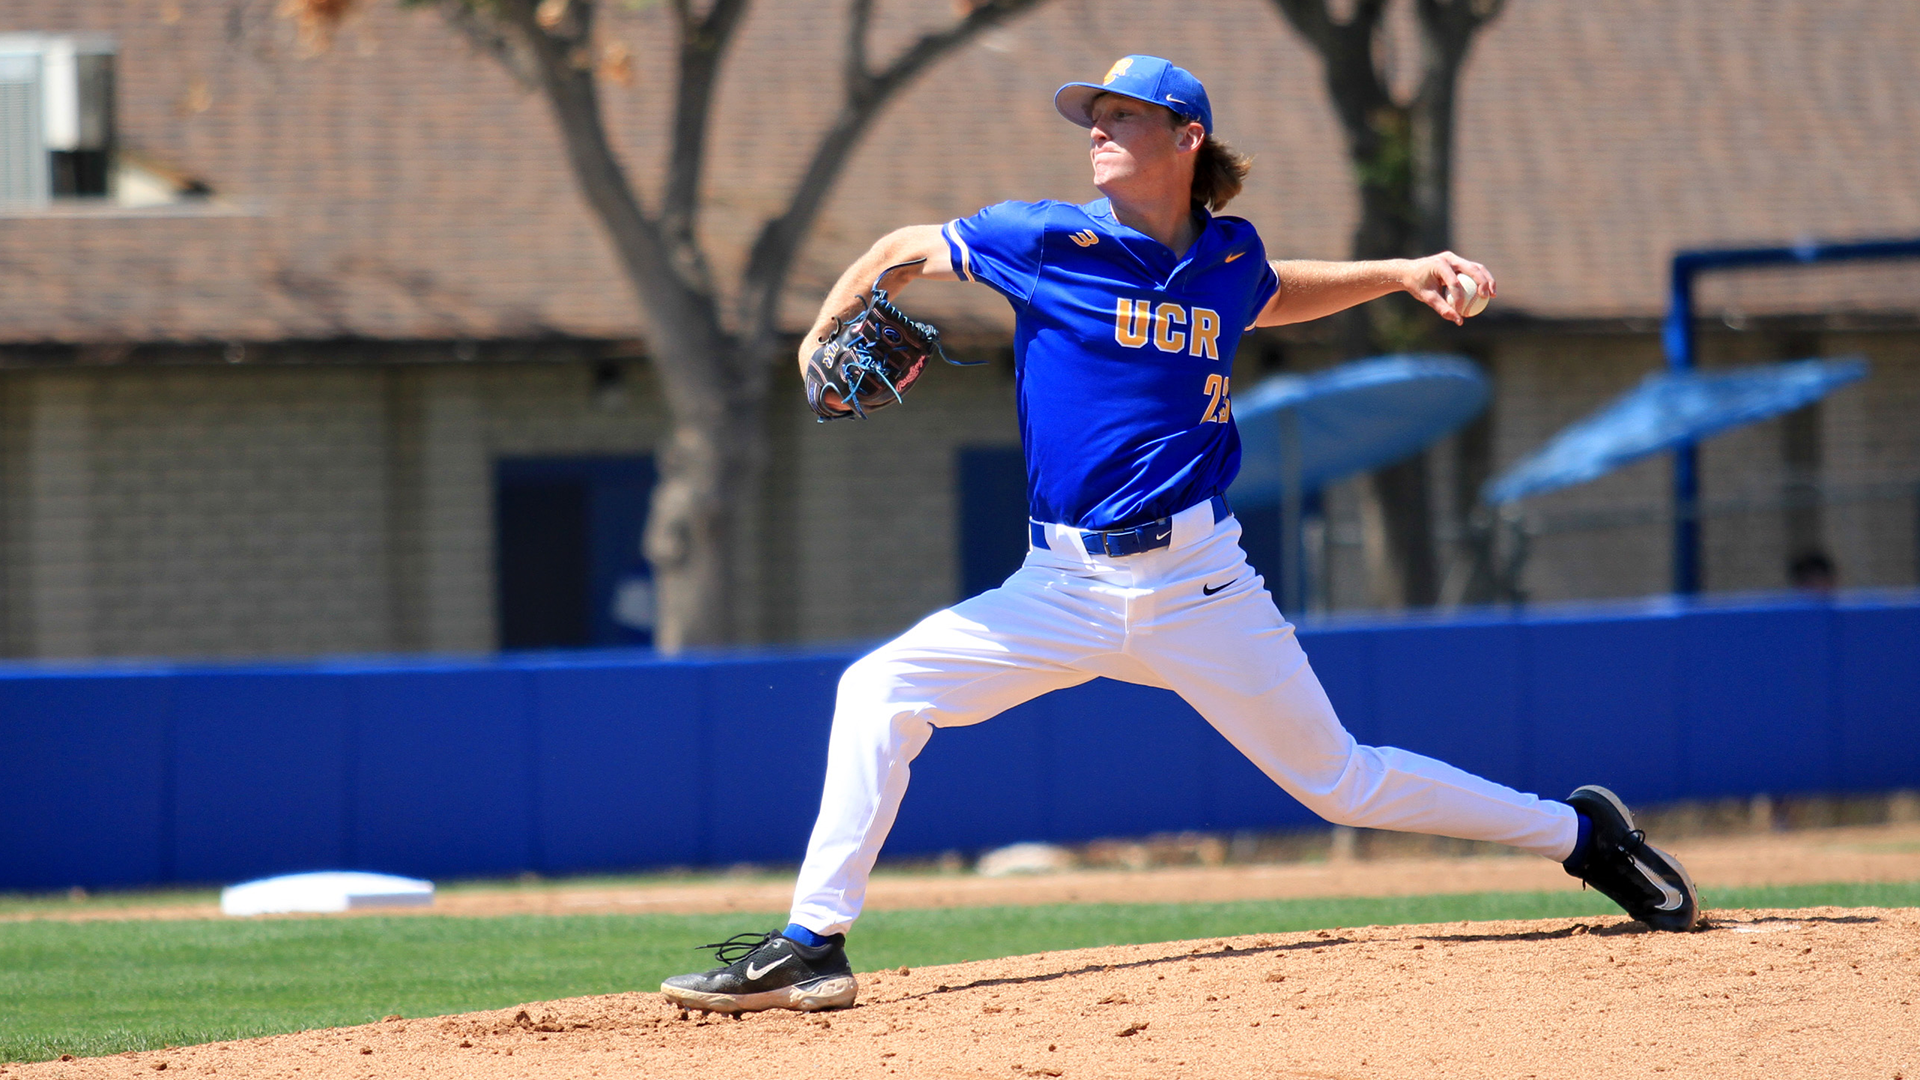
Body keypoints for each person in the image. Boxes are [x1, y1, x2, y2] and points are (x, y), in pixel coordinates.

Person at [661, 55, 1699, 1015]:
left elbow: (1269, 291)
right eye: (1093, 116)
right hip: (1058, 585)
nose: (1097, 129)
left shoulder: (1227, 255)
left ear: (1186, 136)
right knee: (878, 691)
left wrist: (1399, 271)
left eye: (1122, 116)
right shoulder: (1043, 239)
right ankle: (813, 943)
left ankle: (1582, 835)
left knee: (1340, 781)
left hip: (1201, 580)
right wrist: (819, 336)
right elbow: (900, 250)